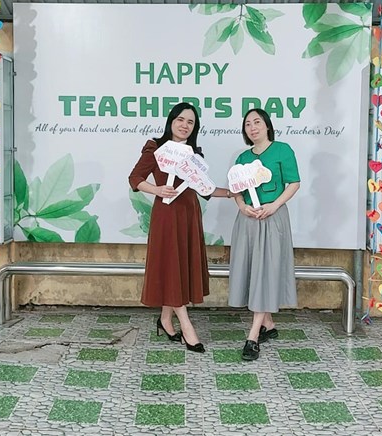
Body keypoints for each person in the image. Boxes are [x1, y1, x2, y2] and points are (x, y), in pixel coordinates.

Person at [127, 102, 232, 353]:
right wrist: (157, 189)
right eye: (181, 120)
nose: (185, 125)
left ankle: (165, 319)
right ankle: (186, 326)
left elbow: (205, 189)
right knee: (171, 265)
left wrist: (233, 193)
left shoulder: (194, 155)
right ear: (171, 121)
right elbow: (135, 178)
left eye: (190, 122)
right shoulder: (155, 147)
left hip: (189, 216)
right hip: (166, 216)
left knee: (177, 268)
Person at [228, 108, 300, 361]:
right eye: (248, 124)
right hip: (248, 220)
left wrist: (274, 206)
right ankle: (268, 325)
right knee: (253, 270)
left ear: (267, 125)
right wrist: (241, 206)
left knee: (266, 270)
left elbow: (294, 183)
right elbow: (235, 190)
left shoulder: (282, 150)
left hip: (272, 218)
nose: (252, 127)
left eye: (257, 122)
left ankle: (252, 336)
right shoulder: (242, 158)